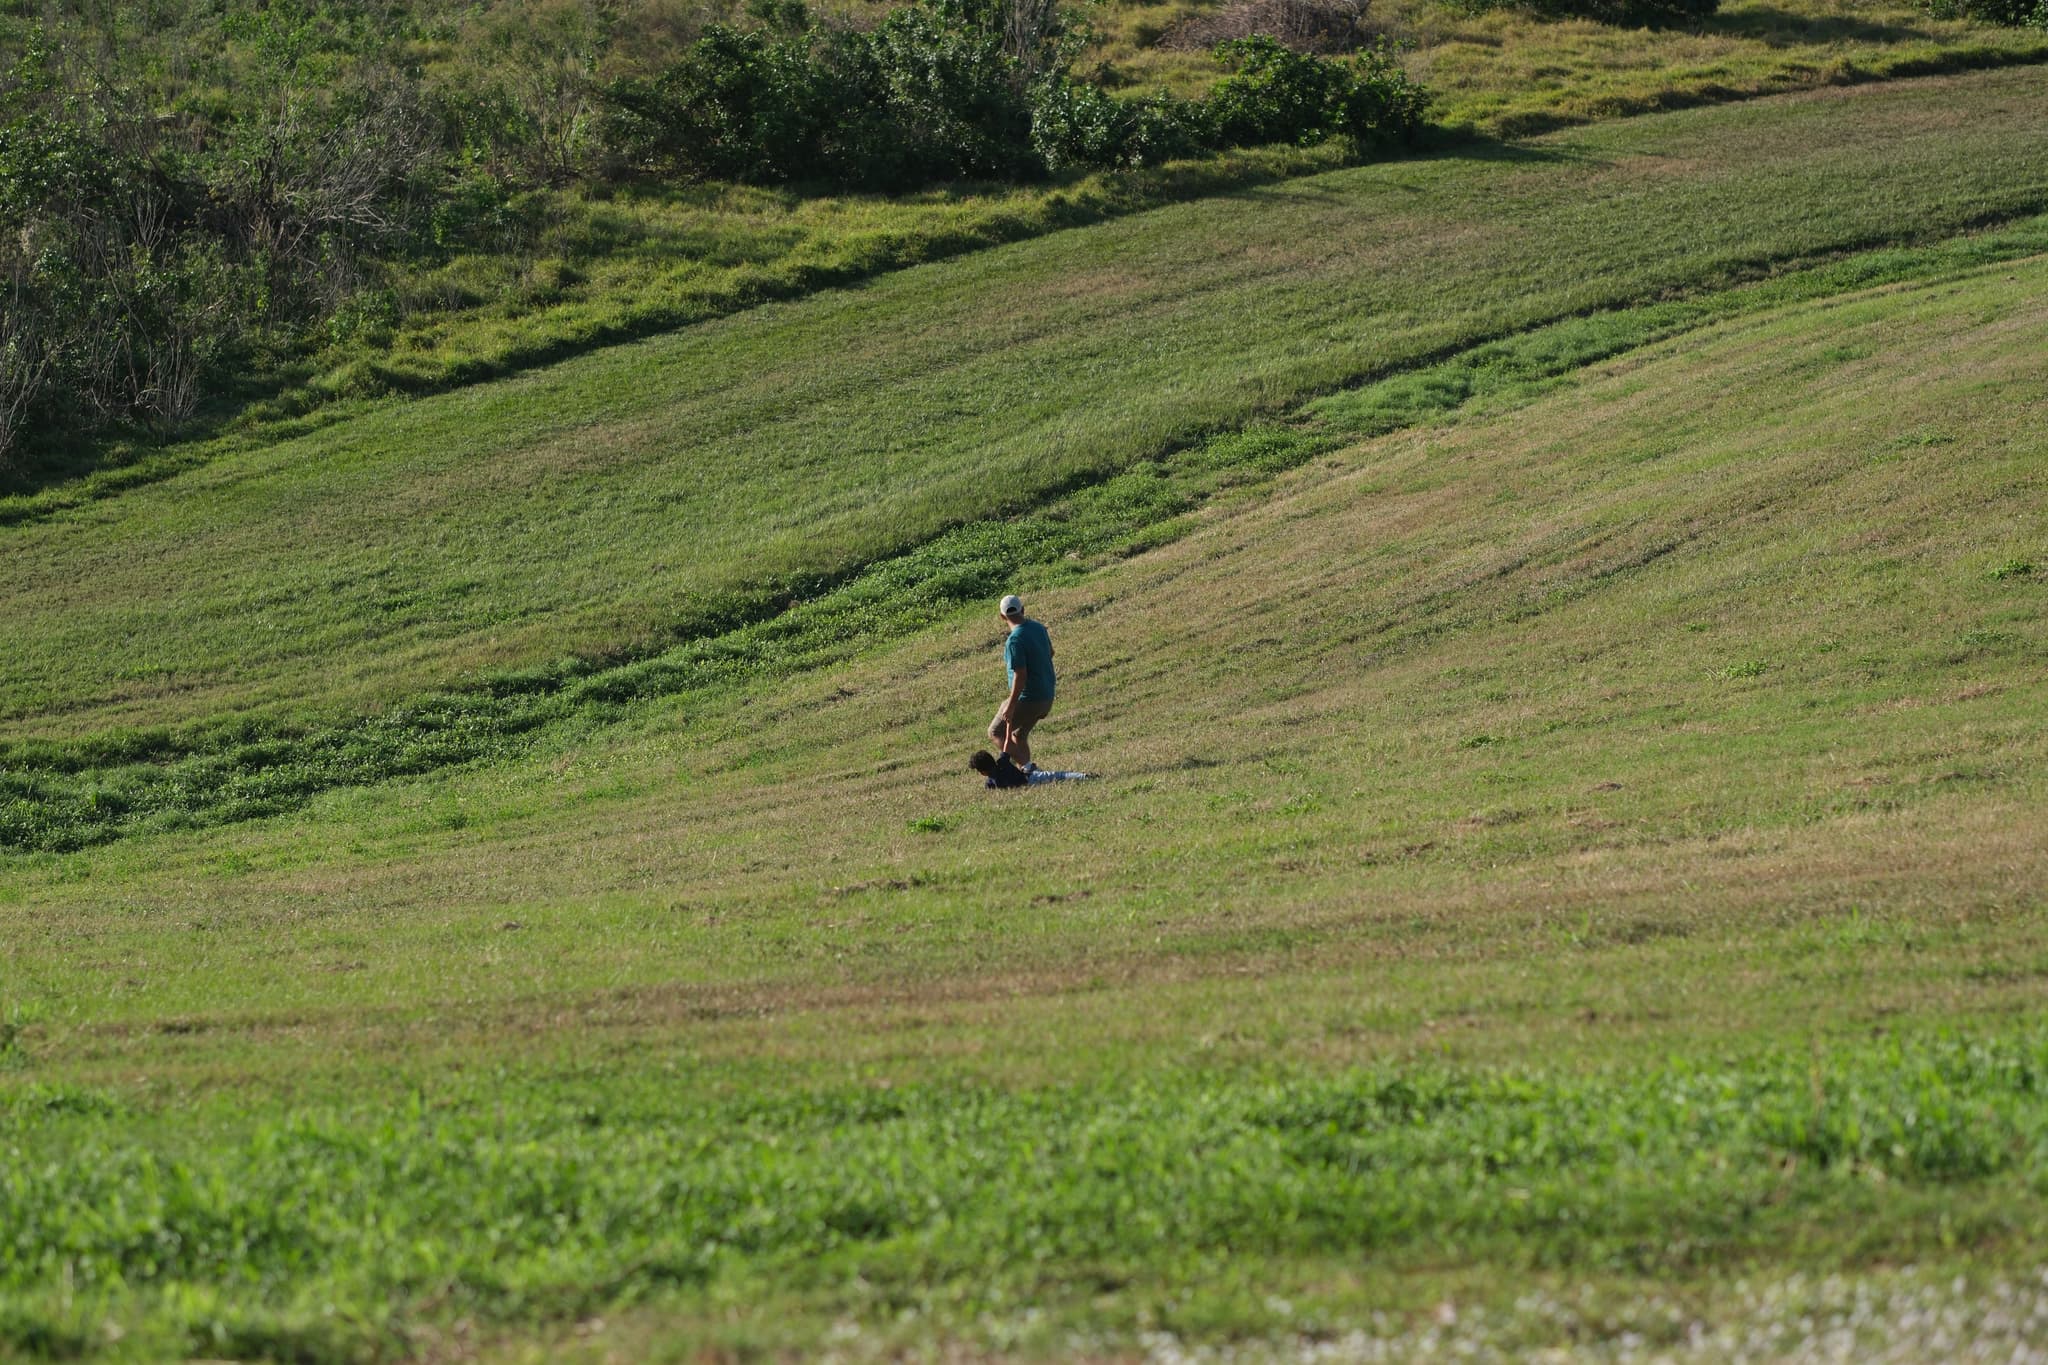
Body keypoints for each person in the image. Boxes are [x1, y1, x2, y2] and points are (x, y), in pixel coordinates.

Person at [989, 593, 1055, 768]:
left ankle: (1029, 768)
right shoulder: (1038, 628)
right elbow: (1051, 653)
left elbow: (1020, 675)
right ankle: (1026, 775)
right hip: (1046, 696)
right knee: (1018, 735)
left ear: (1002, 617)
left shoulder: (1014, 640)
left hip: (1028, 699)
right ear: (1023, 610)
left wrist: (1011, 705)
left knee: (995, 731)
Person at [969, 750, 1091, 788]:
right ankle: (1083, 776)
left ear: (982, 772)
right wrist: (1008, 724)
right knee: (1057, 775)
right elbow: (1005, 746)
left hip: (1029, 779)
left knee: (1053, 776)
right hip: (1029, 778)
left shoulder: (990, 784)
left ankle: (1084, 777)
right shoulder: (1002, 763)